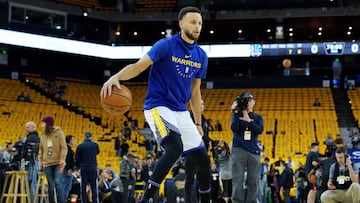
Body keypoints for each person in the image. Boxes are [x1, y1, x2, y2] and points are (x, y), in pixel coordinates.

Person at [100, 6, 211, 203]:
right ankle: (147, 199)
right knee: (174, 148)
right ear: (181, 23)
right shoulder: (165, 45)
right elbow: (138, 66)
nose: (197, 26)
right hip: (158, 107)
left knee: (203, 159)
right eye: (193, 22)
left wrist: (198, 123)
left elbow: (195, 91)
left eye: (200, 23)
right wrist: (116, 77)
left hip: (181, 111)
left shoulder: (201, 56)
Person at [230, 92, 264, 203]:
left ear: (253, 102)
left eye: (250, 100)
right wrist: (235, 112)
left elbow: (259, 130)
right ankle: (236, 201)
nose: (249, 103)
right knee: (237, 179)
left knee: (253, 179)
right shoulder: (236, 115)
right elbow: (234, 128)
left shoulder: (258, 117)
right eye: (246, 101)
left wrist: (249, 121)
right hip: (239, 149)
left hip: (253, 150)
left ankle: (252, 201)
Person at [185, 99, 211, 203]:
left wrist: (212, 142)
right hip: (192, 152)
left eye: (202, 104)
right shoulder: (189, 117)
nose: (201, 106)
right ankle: (189, 201)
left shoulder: (203, 119)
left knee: (201, 180)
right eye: (199, 103)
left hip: (202, 153)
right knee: (190, 179)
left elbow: (205, 137)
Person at [39, 115, 67, 203]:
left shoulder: (59, 132)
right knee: (50, 184)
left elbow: (64, 147)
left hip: (58, 162)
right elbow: (41, 149)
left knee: (58, 181)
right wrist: (41, 161)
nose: (41, 124)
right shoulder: (43, 135)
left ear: (47, 124)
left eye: (43, 122)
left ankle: (61, 201)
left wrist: (62, 159)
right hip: (47, 163)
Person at [75, 132, 100, 203]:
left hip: (84, 167)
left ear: (85, 137)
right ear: (91, 137)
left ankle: (84, 201)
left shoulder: (80, 146)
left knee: (83, 186)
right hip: (93, 167)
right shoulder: (95, 145)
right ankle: (95, 201)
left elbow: (77, 157)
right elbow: (97, 152)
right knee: (94, 186)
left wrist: (79, 165)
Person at [22, 121, 40, 203]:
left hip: (31, 162)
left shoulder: (32, 138)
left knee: (31, 183)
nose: (26, 128)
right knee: (32, 183)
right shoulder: (35, 137)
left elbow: (29, 152)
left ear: (33, 127)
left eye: (27, 127)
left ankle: (33, 201)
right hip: (34, 162)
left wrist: (24, 160)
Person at [63, 135, 75, 201]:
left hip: (62, 170)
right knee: (66, 188)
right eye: (73, 140)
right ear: (70, 141)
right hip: (66, 171)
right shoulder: (69, 150)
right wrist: (69, 168)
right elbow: (67, 160)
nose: (74, 142)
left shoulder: (64, 149)